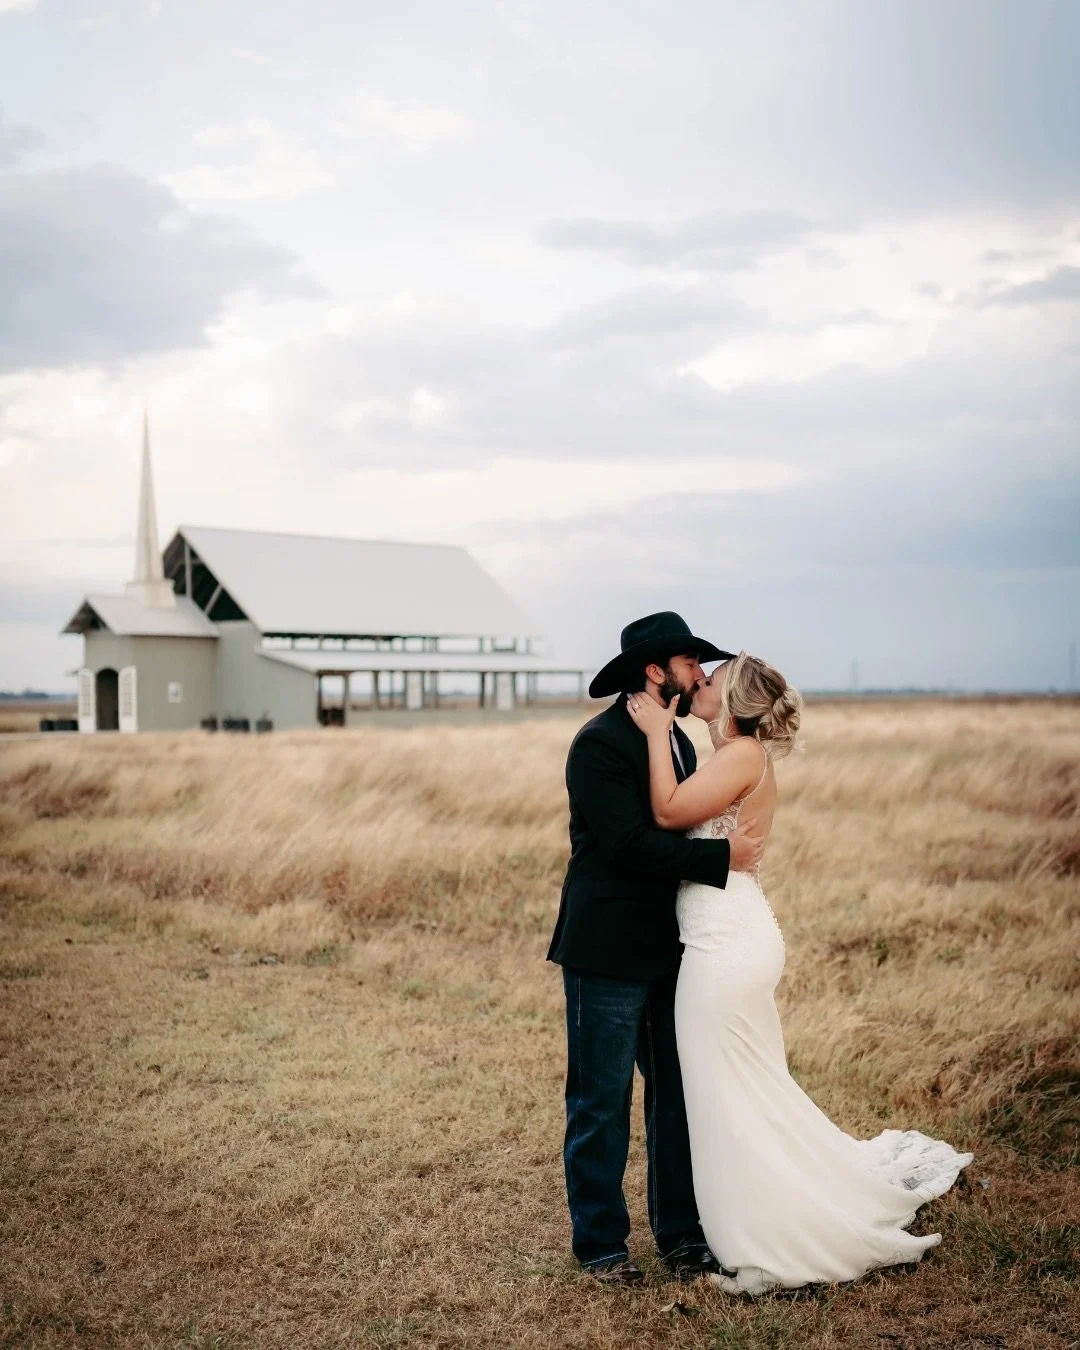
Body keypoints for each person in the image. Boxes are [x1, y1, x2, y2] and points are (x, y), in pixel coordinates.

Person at [626, 651, 973, 1294]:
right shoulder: (733, 755)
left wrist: (653, 733)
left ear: (735, 702)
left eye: (713, 679)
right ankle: (769, 1203)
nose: (700, 681)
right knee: (744, 1086)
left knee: (721, 1091)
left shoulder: (740, 755)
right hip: (725, 936)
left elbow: (670, 814)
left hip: (725, 946)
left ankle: (768, 1229)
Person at [547, 612, 765, 1286]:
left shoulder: (676, 741)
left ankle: (682, 1238)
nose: (700, 674)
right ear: (654, 671)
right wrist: (723, 859)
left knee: (675, 1095)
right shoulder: (598, 744)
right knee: (600, 1101)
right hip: (607, 948)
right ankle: (602, 1248)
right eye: (690, 663)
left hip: (673, 949)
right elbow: (627, 845)